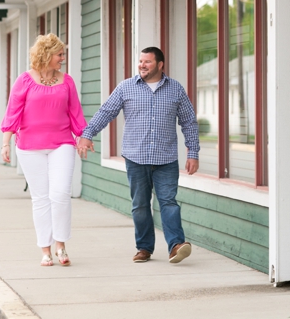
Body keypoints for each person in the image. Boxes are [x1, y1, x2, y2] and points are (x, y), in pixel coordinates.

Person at [76, 47, 199, 264]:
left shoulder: (176, 89)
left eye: (147, 62)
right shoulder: (126, 87)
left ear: (160, 65)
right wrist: (87, 134)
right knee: (140, 204)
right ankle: (144, 247)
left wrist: (193, 152)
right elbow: (106, 112)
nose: (142, 65)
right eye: (140, 61)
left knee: (168, 202)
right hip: (136, 157)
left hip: (166, 158)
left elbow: (188, 121)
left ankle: (176, 246)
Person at [0, 34, 86, 267]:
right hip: (29, 147)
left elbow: (75, 112)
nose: (62, 59)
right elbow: (13, 113)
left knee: (59, 194)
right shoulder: (25, 80)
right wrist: (6, 142)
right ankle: (45, 250)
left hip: (62, 144)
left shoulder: (66, 81)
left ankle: (61, 245)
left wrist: (83, 137)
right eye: (59, 54)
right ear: (47, 55)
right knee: (40, 199)